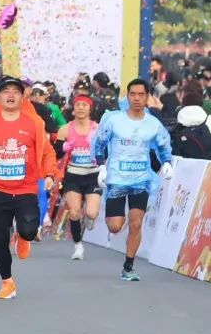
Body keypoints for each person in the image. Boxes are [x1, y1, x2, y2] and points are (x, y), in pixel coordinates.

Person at [0, 76, 55, 299]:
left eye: (15, 91)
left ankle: (22, 236)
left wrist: (49, 174)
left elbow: (47, 151)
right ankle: (7, 282)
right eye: (6, 91)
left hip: (25, 189)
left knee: (29, 230)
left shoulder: (34, 123)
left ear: (22, 97)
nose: (10, 95)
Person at [92, 78, 174, 282]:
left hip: (141, 180)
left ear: (147, 98)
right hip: (117, 179)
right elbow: (99, 144)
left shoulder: (153, 124)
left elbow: (163, 146)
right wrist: (101, 167)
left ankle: (128, 267)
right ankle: (117, 221)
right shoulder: (114, 120)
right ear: (127, 96)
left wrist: (167, 162)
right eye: (133, 94)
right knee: (115, 226)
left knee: (136, 223)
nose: (136, 98)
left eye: (141, 94)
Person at [55, 95, 100, 260]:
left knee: (92, 213)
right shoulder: (65, 129)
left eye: (84, 105)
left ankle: (90, 218)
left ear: (90, 109)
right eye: (78, 105)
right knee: (74, 212)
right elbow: (56, 153)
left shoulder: (97, 128)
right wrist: (65, 147)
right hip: (73, 175)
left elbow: (106, 150)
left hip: (93, 175)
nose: (81, 108)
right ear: (73, 108)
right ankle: (78, 245)